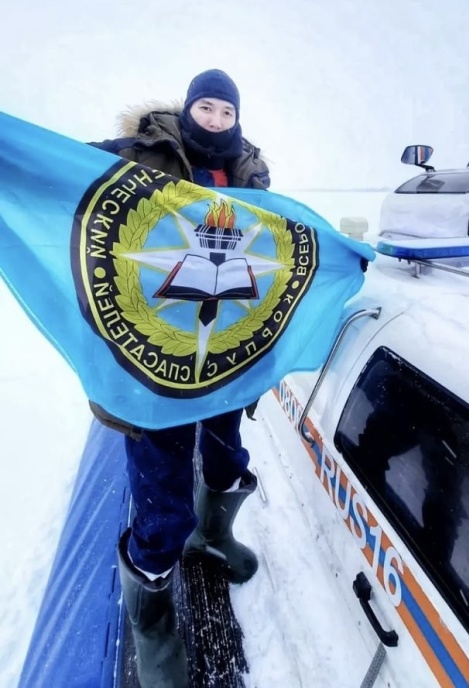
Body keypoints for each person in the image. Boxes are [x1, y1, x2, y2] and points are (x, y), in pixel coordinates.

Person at [90, 69, 270, 688]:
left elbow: (276, 246)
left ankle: (213, 538)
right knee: (161, 490)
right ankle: (153, 616)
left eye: (226, 110)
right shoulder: (145, 152)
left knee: (225, 459)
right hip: (153, 356)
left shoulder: (251, 171)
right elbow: (78, 186)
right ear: (188, 109)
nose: (215, 119)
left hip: (224, 348)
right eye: (206, 107)